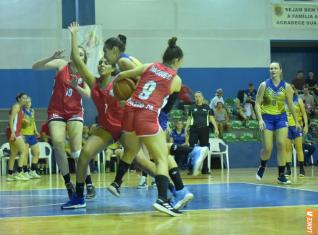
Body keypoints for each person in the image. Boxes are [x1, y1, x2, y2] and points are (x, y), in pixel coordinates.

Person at [107, 37, 186, 216]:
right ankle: (162, 200)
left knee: (131, 150)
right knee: (161, 158)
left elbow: (120, 76)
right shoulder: (176, 79)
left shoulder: (150, 65)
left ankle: (116, 182)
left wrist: (116, 94)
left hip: (130, 109)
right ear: (176, 61)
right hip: (147, 114)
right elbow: (166, 108)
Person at [61, 22, 124, 209]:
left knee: (143, 163)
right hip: (106, 129)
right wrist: (73, 35)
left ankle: (172, 189)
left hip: (125, 128)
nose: (102, 63)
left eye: (106, 62)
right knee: (84, 154)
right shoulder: (94, 82)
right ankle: (79, 197)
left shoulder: (120, 83)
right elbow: (77, 60)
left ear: (113, 69)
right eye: (101, 62)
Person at [32, 39, 94, 199]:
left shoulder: (85, 72)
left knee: (76, 150)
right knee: (58, 143)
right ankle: (68, 183)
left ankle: (88, 182)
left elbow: (87, 94)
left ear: (84, 59)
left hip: (74, 112)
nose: (77, 56)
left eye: (81, 54)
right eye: (76, 53)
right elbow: (35, 67)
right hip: (57, 111)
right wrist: (50, 57)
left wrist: (76, 86)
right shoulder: (61, 64)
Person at [255, 62, 301, 184]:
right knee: (268, 148)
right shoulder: (264, 85)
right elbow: (257, 103)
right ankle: (262, 165)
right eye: (271, 68)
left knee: (282, 144)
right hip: (266, 118)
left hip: (281, 117)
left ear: (280, 70)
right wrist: (260, 119)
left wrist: (296, 121)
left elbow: (291, 104)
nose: (273, 70)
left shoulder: (286, 86)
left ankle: (281, 175)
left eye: (275, 68)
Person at [187, 91, 219, 174]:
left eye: (199, 96)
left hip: (204, 130)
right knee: (192, 149)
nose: (197, 98)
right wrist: (186, 128)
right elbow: (189, 119)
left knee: (204, 149)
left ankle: (205, 169)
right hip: (194, 130)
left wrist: (216, 128)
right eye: (196, 96)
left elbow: (211, 118)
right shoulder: (191, 107)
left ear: (202, 97)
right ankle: (191, 169)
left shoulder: (207, 107)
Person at [285, 85, 308, 177]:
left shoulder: (298, 100)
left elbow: (304, 114)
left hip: (297, 126)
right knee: (288, 149)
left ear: (294, 90)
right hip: (286, 127)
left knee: (299, 148)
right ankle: (288, 170)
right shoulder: (283, 101)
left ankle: (302, 169)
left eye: (291, 89)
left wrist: (306, 126)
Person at [6, 93, 29, 181]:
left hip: (14, 131)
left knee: (13, 153)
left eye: (26, 98)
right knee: (24, 151)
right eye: (23, 98)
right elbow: (11, 120)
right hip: (13, 132)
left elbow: (17, 122)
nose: (25, 100)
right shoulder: (16, 106)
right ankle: (19, 173)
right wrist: (13, 132)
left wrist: (21, 131)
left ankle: (10, 174)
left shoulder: (21, 108)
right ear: (19, 99)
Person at [21, 96, 41, 179]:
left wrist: (36, 131)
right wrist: (25, 122)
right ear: (24, 103)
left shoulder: (33, 111)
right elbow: (21, 124)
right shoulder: (21, 111)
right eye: (26, 102)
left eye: (29, 102)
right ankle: (25, 172)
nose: (28, 103)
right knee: (25, 154)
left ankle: (33, 171)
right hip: (24, 135)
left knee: (37, 152)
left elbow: (33, 122)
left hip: (32, 135)